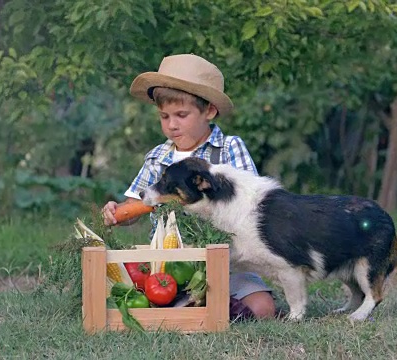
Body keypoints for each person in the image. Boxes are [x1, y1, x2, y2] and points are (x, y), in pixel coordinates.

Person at [101, 54, 276, 320]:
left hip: (229, 263)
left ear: (209, 110)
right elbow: (136, 207)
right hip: (170, 265)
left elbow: (252, 205)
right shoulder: (157, 157)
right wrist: (118, 213)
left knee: (264, 309)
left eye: (181, 115)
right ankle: (202, 306)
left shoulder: (229, 148)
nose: (172, 125)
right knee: (146, 296)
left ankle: (209, 304)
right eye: (164, 116)